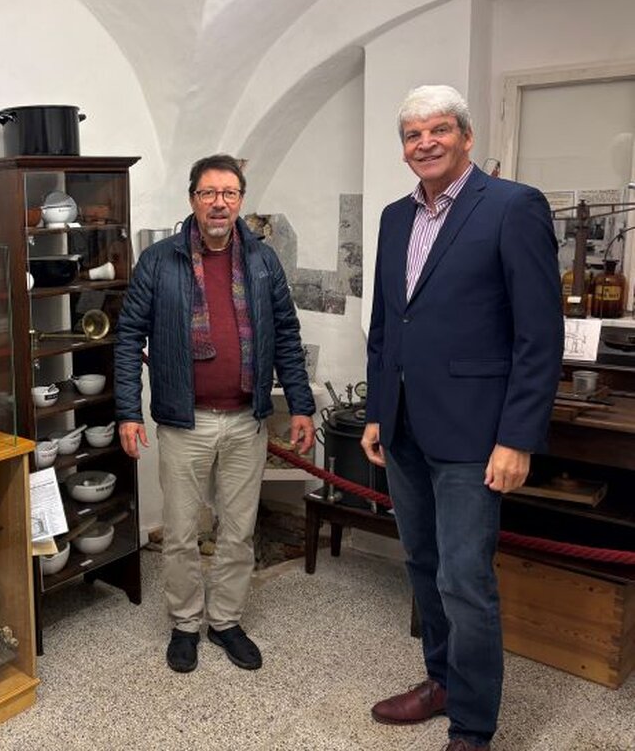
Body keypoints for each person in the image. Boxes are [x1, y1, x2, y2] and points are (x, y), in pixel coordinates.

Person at [361, 85, 563, 751]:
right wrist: (375, 410)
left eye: (438, 129)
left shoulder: (512, 207)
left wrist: (517, 438)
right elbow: (388, 324)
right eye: (412, 134)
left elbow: (539, 336)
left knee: (465, 578)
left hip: (476, 434)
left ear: (466, 136)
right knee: (422, 562)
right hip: (405, 426)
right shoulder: (395, 217)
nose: (425, 142)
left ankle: (473, 726)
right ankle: (442, 679)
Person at [115, 153, 315, 674]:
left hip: (247, 419)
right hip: (186, 422)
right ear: (192, 200)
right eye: (208, 193)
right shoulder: (159, 261)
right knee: (181, 533)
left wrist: (301, 405)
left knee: (238, 529)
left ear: (241, 201)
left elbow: (288, 336)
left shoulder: (264, 261)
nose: (219, 202)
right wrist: (127, 411)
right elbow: (127, 338)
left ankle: (225, 620)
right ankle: (185, 623)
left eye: (229, 193)